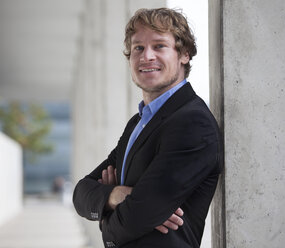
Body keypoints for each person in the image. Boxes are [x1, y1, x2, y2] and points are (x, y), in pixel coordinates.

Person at [73, 8, 221, 248]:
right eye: (138, 48)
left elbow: (137, 216)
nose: (146, 56)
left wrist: (106, 217)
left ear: (184, 54)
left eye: (159, 46)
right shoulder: (138, 123)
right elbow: (81, 192)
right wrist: (115, 196)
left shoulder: (193, 123)